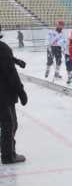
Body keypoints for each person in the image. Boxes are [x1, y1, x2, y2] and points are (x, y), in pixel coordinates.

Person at [0, 26, 28, 164]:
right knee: (9, 124)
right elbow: (11, 73)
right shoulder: (3, 48)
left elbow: (5, 60)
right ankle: (7, 155)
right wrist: (21, 92)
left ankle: (5, 148)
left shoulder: (3, 50)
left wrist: (15, 60)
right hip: (3, 94)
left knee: (8, 123)